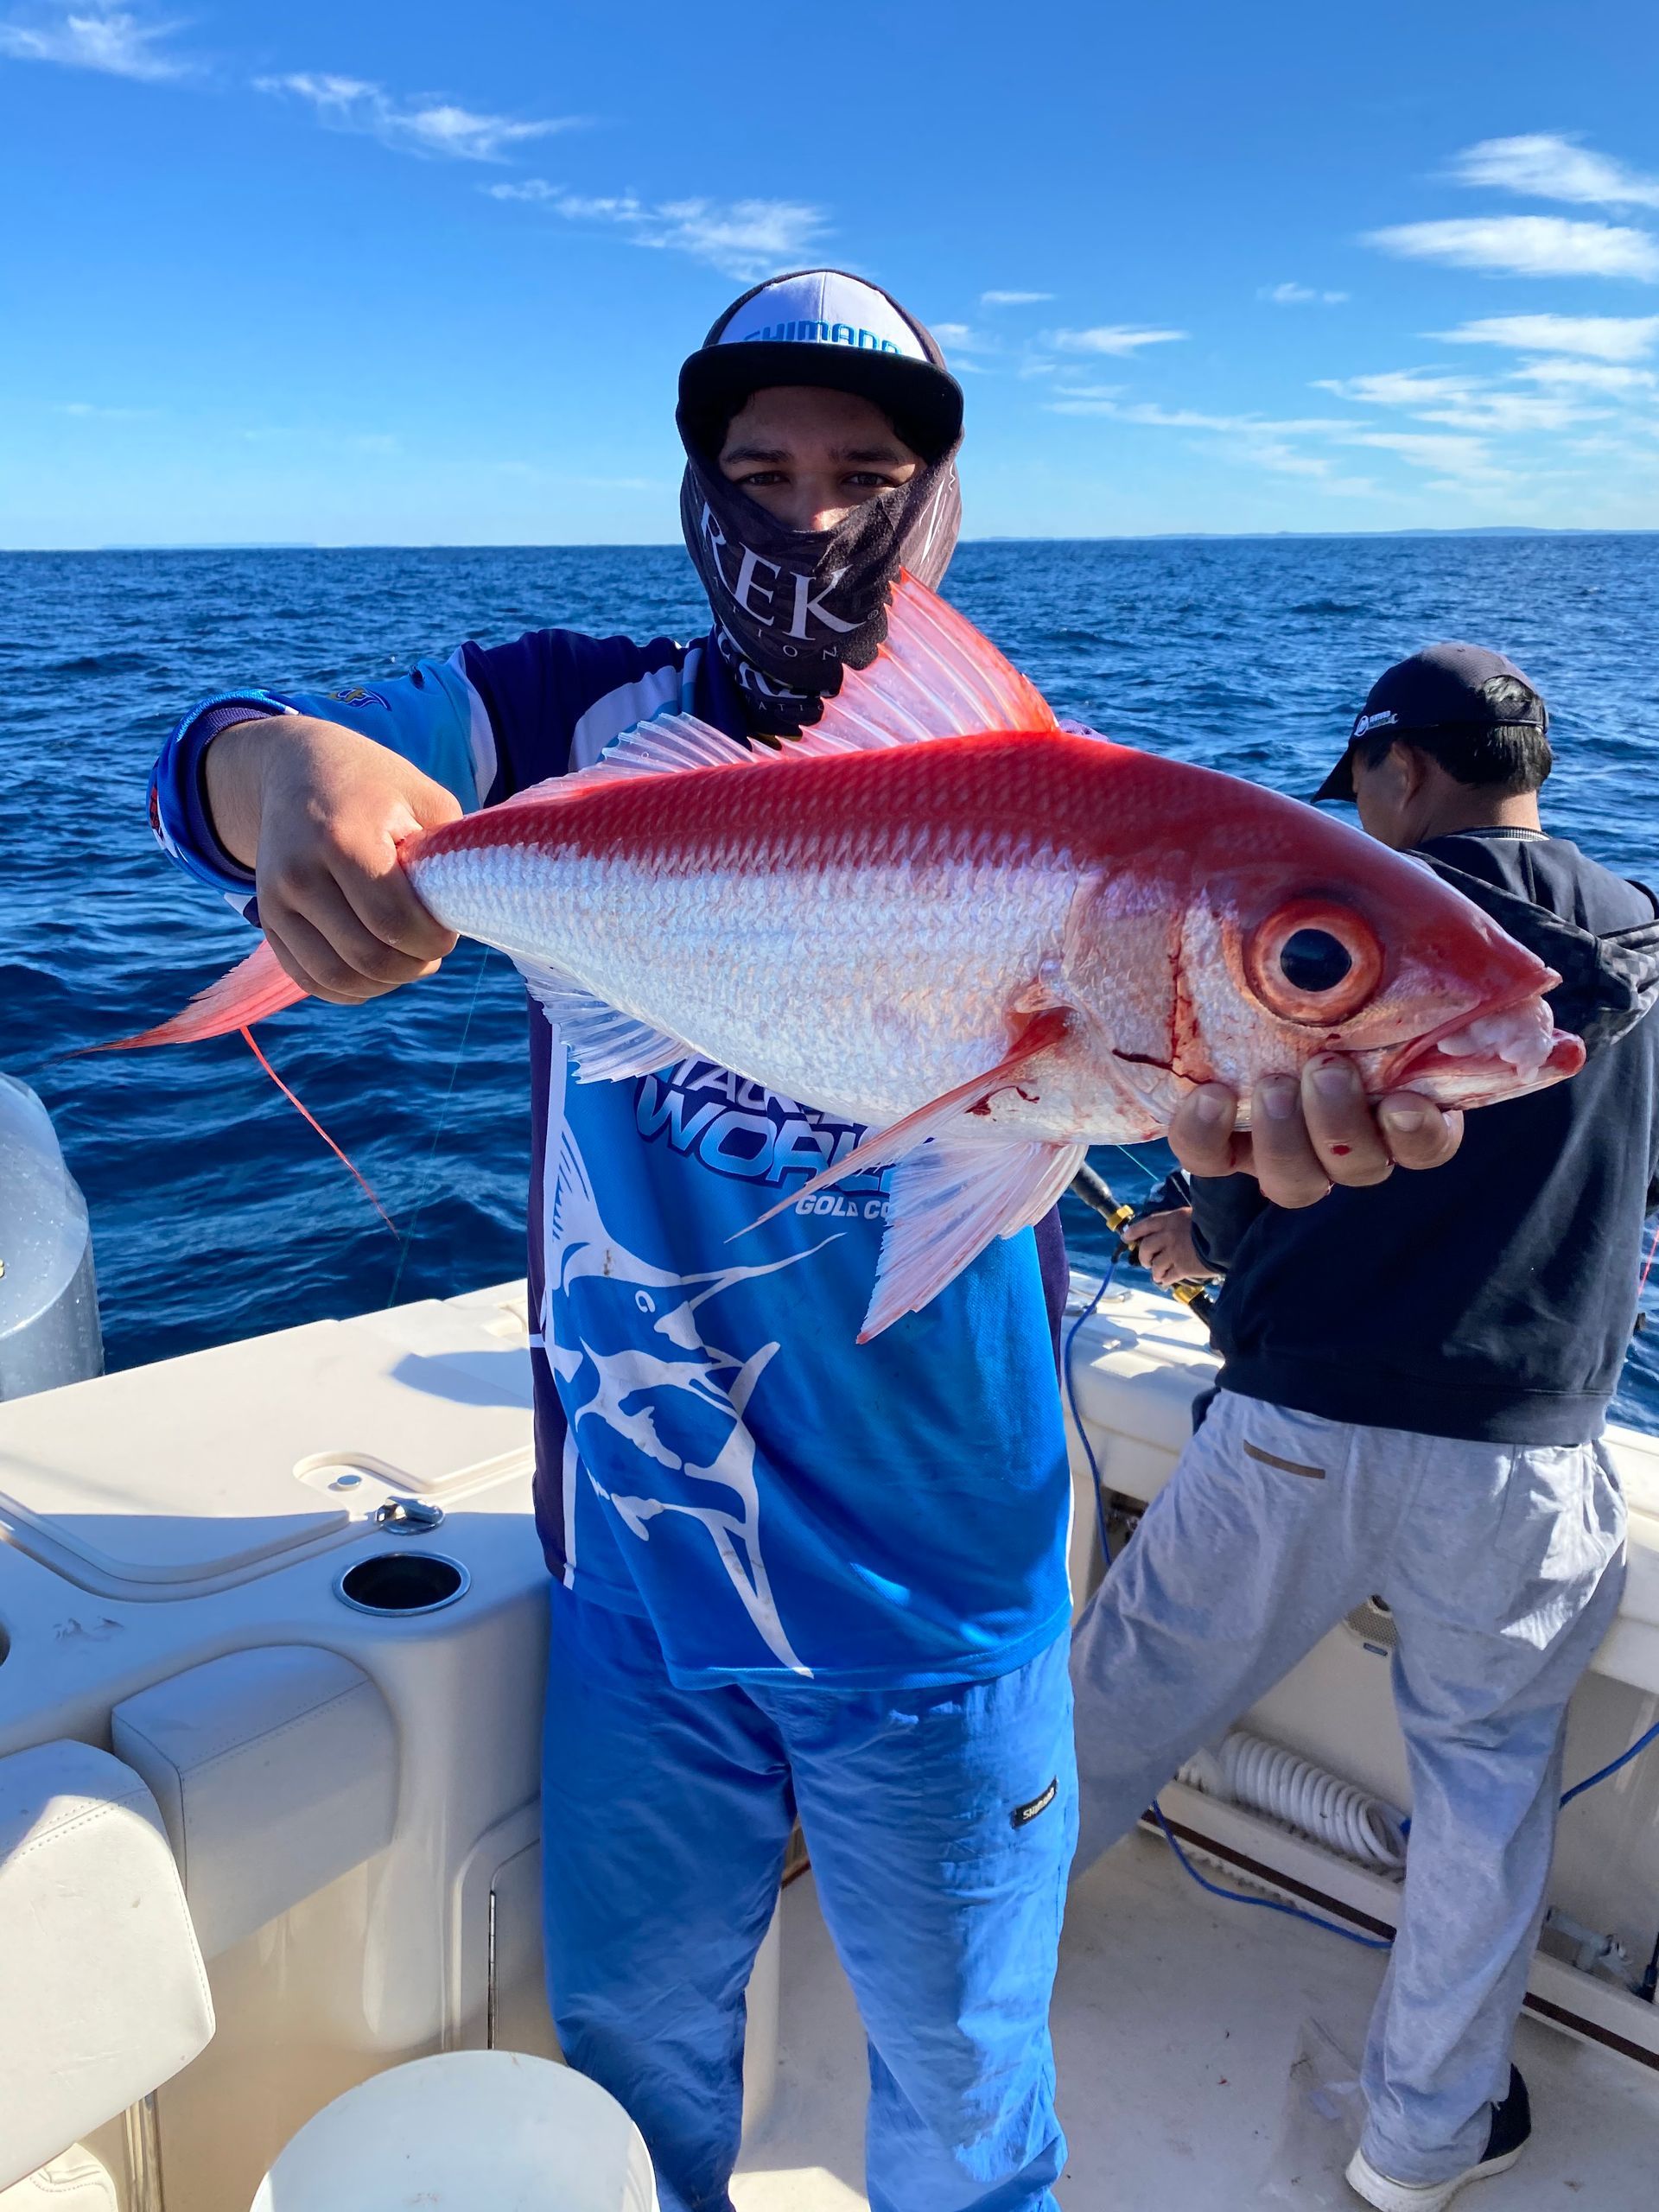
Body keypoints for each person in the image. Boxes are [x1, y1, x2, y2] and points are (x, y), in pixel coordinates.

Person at [147, 266, 1454, 2212]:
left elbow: (1109, 1105)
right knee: (636, 2055)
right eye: (754, 466)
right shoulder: (550, 713)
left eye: (863, 464)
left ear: (938, 493)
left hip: (937, 1612)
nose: (807, 513)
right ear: (693, 487)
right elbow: (211, 764)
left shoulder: (1075, 809)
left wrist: (1265, 1108)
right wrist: (285, 778)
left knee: (964, 2099)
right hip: (632, 1589)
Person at [1070, 641, 1659, 2212]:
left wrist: (1207, 1243)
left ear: (1400, 765)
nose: (1368, 828)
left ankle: (966, 1962)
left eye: (1369, 793)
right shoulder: (1643, 937)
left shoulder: (1354, 925)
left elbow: (1246, 1130)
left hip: (1294, 1430)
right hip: (1529, 1454)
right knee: (1486, 1794)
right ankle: (1419, 2146)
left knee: (1111, 1708)